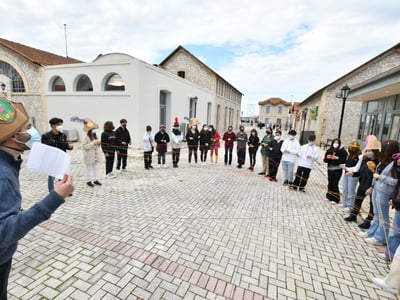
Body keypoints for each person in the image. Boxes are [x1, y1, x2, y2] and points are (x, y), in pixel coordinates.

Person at [0, 98, 74, 299]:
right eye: (29, 127)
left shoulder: (8, 162)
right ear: (15, 136)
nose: (33, 132)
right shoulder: (2, 174)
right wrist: (56, 197)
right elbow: (3, 232)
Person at [360, 140, 399, 246]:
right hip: (377, 189)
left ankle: (381, 237)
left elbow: (395, 181)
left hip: (385, 192)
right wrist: (372, 185)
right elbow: (376, 174)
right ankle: (372, 232)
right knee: (376, 214)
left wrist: (380, 177)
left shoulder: (395, 164)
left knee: (383, 216)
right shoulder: (382, 161)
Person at [344, 135, 380, 226]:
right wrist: (353, 174)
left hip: (372, 186)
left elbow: (377, 176)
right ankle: (353, 215)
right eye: (367, 151)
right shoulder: (365, 160)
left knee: (372, 204)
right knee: (358, 200)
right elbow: (360, 171)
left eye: (370, 151)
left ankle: (368, 220)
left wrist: (372, 187)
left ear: (375, 151)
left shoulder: (378, 163)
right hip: (363, 183)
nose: (368, 152)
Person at [41, 117, 74, 192]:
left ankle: (63, 190)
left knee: (63, 176)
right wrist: (63, 143)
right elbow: (46, 147)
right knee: (51, 177)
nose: (60, 126)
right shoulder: (46, 136)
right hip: (52, 159)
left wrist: (70, 146)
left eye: (61, 124)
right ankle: (51, 191)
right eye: (59, 124)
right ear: (53, 125)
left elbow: (66, 146)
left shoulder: (63, 135)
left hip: (62, 158)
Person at [323, 138, 348, 203]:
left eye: (337, 143)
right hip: (330, 169)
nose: (335, 144)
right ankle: (329, 196)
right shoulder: (330, 150)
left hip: (337, 169)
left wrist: (337, 158)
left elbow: (344, 161)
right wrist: (327, 157)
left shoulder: (343, 151)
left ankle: (336, 198)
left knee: (335, 183)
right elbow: (325, 160)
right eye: (334, 142)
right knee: (330, 183)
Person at [339, 141, 362, 210]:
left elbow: (357, 168)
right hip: (346, 173)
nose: (352, 149)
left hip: (353, 175)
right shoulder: (350, 155)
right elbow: (349, 163)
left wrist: (347, 168)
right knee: (345, 189)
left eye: (354, 148)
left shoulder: (359, 156)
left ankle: (350, 206)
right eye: (352, 147)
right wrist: (344, 165)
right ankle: (344, 203)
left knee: (351, 190)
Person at [82, 118, 102, 187]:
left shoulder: (96, 136)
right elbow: (85, 147)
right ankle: (88, 181)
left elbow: (98, 147)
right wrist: (93, 143)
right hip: (89, 156)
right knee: (89, 169)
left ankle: (96, 180)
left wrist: (99, 143)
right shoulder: (86, 138)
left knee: (95, 168)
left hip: (96, 156)